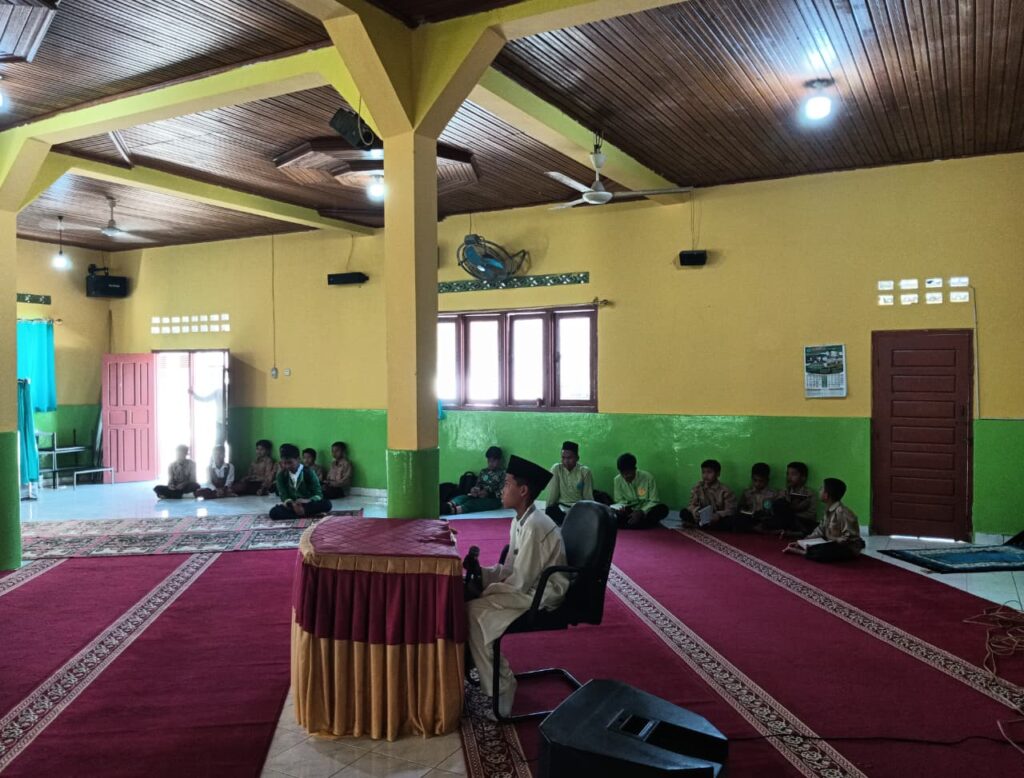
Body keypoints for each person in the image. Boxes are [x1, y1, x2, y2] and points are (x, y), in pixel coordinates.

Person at [466, 455, 569, 719]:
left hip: (541, 593)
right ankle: (493, 677)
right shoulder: (520, 520)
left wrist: (485, 589)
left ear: (523, 491)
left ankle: (503, 686)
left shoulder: (536, 526)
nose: (502, 489)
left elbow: (521, 581)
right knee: (472, 607)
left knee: (474, 612)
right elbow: (512, 568)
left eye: (507, 484)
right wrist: (482, 574)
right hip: (528, 585)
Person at [784, 477, 864, 562]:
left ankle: (804, 552)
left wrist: (831, 542)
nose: (819, 490)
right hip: (831, 543)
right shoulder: (828, 510)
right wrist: (802, 542)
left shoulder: (843, 512)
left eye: (821, 488)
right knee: (817, 542)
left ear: (826, 495)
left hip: (846, 547)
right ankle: (810, 550)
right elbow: (820, 530)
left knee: (824, 550)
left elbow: (849, 537)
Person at [268, 443, 332, 521]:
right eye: (284, 463)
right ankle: (307, 514)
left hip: (308, 504)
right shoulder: (281, 476)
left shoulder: (309, 472)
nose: (287, 466)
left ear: (298, 459)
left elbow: (318, 494)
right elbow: (284, 496)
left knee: (327, 504)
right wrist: (292, 504)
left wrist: (307, 501)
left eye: (290, 462)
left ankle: (300, 513)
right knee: (273, 512)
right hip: (292, 505)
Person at [611, 453, 669, 529]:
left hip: (646, 511)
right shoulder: (617, 480)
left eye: (628, 473)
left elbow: (654, 501)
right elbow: (619, 501)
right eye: (623, 474)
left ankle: (631, 524)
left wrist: (641, 512)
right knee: (612, 512)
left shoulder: (648, 477)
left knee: (662, 509)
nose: (625, 477)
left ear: (635, 469)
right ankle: (641, 524)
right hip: (629, 511)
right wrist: (622, 509)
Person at [444, 446, 506, 515]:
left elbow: (503, 492)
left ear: (499, 460)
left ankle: (452, 511)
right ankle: (447, 506)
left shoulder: (503, 473)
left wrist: (488, 494)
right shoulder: (484, 471)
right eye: (489, 460)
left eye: (493, 461)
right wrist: (475, 490)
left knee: (472, 504)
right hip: (479, 497)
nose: (490, 463)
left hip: (493, 500)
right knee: (462, 497)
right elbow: (478, 485)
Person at [545, 441, 594, 525]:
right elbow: (552, 494)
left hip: (578, 508)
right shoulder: (557, 469)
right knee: (550, 511)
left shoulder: (585, 471)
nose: (566, 461)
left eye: (569, 458)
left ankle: (570, 522)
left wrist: (590, 512)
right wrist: (547, 512)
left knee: (589, 515)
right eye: (563, 457)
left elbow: (588, 497)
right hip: (561, 507)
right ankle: (571, 523)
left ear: (577, 458)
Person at [763, 461, 818, 536]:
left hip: (800, 521)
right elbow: (776, 509)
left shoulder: (809, 493)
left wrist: (792, 514)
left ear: (803, 478)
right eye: (788, 474)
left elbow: (811, 515)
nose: (789, 477)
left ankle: (791, 532)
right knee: (771, 515)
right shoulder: (784, 491)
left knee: (811, 526)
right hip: (785, 521)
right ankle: (787, 531)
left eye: (793, 474)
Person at [679, 459, 737, 529]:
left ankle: (701, 526)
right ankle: (703, 526)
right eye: (703, 472)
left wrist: (718, 515)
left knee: (731, 520)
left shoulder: (725, 490)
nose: (705, 475)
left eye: (709, 472)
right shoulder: (698, 487)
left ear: (718, 474)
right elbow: (691, 505)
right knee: (684, 512)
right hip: (702, 517)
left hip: (717, 518)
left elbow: (731, 510)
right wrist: (696, 512)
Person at [737, 462, 775, 531]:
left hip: (765, 519)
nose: (757, 484)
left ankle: (757, 528)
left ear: (767, 480)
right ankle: (754, 528)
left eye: (761, 481)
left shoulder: (772, 494)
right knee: (737, 517)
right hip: (750, 518)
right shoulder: (747, 492)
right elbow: (740, 508)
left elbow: (771, 512)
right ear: (752, 478)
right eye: (755, 480)